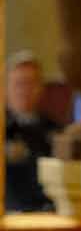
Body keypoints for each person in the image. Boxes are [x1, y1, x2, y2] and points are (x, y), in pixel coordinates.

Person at [5, 51, 59, 213]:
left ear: (41, 88)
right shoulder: (4, 130)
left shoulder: (55, 130)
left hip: (49, 212)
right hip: (12, 215)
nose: (25, 90)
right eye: (19, 84)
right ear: (5, 89)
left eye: (31, 83)